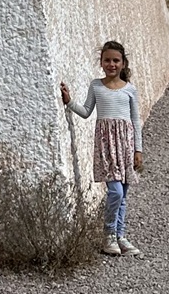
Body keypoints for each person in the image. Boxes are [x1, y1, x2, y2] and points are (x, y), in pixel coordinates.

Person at [60, 40, 144, 258]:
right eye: (107, 60)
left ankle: (120, 235)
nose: (112, 64)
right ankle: (108, 234)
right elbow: (87, 111)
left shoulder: (130, 90)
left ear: (123, 63)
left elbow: (135, 121)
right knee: (114, 191)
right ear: (101, 62)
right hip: (107, 148)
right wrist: (69, 102)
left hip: (125, 146)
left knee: (123, 194)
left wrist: (138, 150)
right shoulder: (96, 86)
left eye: (116, 60)